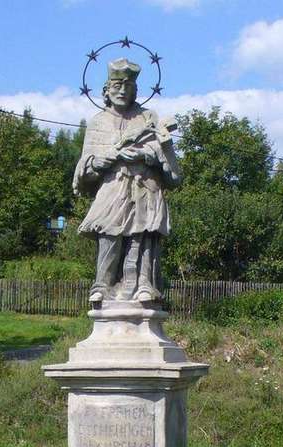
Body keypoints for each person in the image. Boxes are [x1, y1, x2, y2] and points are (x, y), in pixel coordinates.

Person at [73, 58, 181, 303]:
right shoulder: (98, 122)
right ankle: (102, 286)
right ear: (106, 90)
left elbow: (164, 158)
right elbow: (84, 167)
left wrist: (146, 155)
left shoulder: (147, 118)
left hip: (144, 188)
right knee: (109, 234)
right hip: (113, 188)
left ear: (135, 90)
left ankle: (142, 285)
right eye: (117, 85)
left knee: (140, 237)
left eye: (128, 86)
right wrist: (102, 160)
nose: (122, 91)